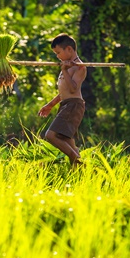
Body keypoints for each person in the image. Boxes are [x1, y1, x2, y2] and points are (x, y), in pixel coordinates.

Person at [38, 33, 87, 168]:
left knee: (51, 135)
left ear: (69, 50)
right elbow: (63, 92)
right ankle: (80, 171)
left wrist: (65, 70)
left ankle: (75, 158)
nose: (57, 56)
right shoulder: (66, 66)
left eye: (58, 52)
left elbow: (72, 89)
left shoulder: (80, 67)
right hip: (66, 104)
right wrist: (50, 105)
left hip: (74, 105)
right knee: (67, 140)